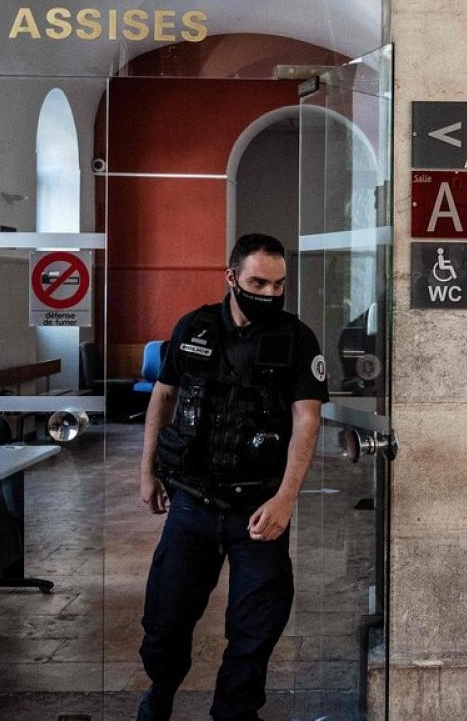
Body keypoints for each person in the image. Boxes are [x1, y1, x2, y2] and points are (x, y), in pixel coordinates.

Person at [136, 233, 329, 721]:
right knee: (166, 619)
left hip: (257, 508)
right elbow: (163, 397)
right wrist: (148, 472)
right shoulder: (195, 327)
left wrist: (286, 499)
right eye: (257, 283)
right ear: (231, 278)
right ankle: (161, 690)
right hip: (190, 503)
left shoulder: (297, 339)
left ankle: (234, 714)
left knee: (255, 627)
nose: (268, 294)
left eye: (278, 285)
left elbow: (307, 419)